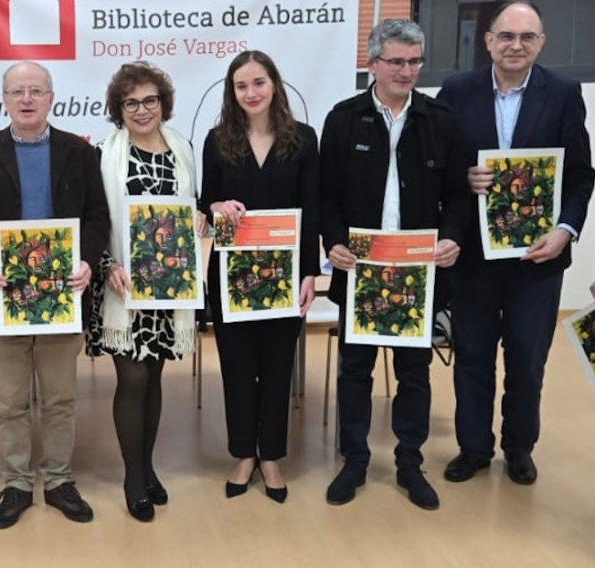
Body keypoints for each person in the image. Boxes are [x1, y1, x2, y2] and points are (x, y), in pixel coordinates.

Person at [436, 0, 594, 486]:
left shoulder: (564, 93)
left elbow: (580, 176)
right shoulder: (457, 91)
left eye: (527, 37)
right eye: (506, 36)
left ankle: (519, 447)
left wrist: (565, 230)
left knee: (527, 359)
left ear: (541, 42)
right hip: (476, 258)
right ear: (488, 40)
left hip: (538, 259)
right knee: (475, 356)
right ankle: (474, 448)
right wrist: (462, 177)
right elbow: (438, 169)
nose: (516, 45)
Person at [319, 20, 470, 510]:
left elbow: (459, 195)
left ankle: (409, 461)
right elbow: (328, 198)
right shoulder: (343, 119)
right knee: (356, 370)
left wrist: (452, 238)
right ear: (373, 64)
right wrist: (334, 243)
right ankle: (355, 460)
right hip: (360, 269)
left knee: (414, 372)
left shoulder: (441, 119)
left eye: (414, 62)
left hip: (419, 273)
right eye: (397, 62)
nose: (407, 71)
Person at [0, 61, 111, 529]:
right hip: (2, 302)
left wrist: (85, 258)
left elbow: (98, 217)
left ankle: (60, 480)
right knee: (9, 401)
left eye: (36, 91)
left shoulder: (79, 153)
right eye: (17, 91)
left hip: (63, 298)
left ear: (51, 98)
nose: (26, 98)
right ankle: (17, 483)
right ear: (3, 99)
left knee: (61, 397)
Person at [201, 50, 320, 505]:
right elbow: (206, 200)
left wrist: (310, 270)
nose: (250, 93)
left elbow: (311, 209)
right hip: (233, 278)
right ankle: (242, 455)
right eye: (241, 86)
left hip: (286, 275)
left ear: (275, 84)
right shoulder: (217, 141)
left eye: (259, 83)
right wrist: (213, 208)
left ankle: (270, 455)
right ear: (232, 92)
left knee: (276, 367)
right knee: (236, 367)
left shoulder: (304, 139)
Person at [86, 61, 200, 522]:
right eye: (130, 102)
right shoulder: (105, 154)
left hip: (167, 286)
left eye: (149, 100)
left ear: (163, 103)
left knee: (153, 379)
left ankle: (147, 467)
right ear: (118, 109)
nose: (141, 109)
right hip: (121, 285)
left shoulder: (183, 148)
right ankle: (134, 478)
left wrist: (199, 225)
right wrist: (106, 263)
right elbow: (95, 219)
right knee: (132, 379)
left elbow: (190, 208)